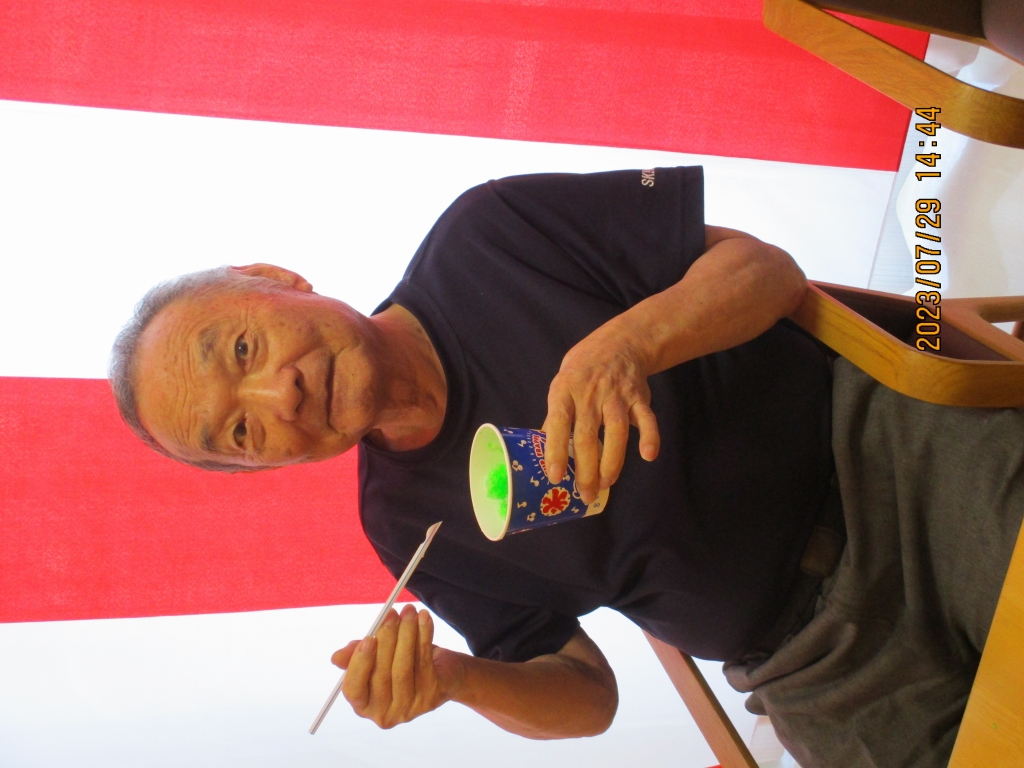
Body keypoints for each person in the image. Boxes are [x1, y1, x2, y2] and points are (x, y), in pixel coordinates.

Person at [110, 167, 1023, 767]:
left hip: (887, 460)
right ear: (264, 469)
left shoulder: (486, 235)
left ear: (276, 280)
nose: (279, 394)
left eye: (241, 349)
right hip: (812, 668)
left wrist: (628, 344)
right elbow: (587, 698)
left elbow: (765, 271)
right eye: (240, 433)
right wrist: (455, 680)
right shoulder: (399, 524)